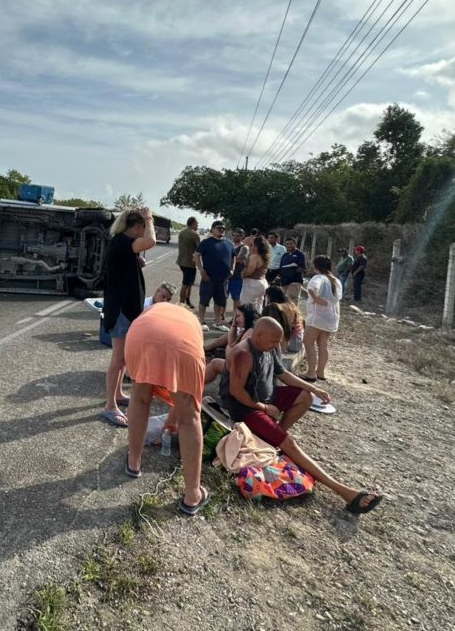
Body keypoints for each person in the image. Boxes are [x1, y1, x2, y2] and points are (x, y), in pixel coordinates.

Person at [221, 317, 384, 515]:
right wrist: (264, 408)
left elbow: (283, 374)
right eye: (273, 341)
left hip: (267, 397)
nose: (276, 345)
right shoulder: (243, 355)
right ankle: (346, 493)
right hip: (246, 407)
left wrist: (313, 388)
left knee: (304, 397)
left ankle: (273, 437)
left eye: (277, 342)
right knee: (290, 444)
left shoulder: (269, 348)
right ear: (259, 335)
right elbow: (236, 392)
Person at [124, 302, 208, 515]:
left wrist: (171, 418)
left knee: (140, 399)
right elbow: (183, 396)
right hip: (183, 346)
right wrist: (178, 417)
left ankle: (133, 462)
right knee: (190, 419)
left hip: (140, 335)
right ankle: (192, 495)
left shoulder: (158, 308)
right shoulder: (192, 323)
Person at [101, 207, 156, 428]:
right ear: (137, 227)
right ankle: (109, 406)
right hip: (122, 309)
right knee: (117, 360)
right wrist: (149, 218)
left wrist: (136, 262)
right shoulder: (123, 242)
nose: (145, 232)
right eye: (143, 227)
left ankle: (119, 394)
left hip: (127, 308)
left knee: (123, 358)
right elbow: (151, 241)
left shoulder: (123, 244)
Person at [303, 255, 343, 382]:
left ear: (316, 266)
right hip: (331, 317)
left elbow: (311, 288)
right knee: (323, 344)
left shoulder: (318, 277)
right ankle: (320, 372)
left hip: (318, 316)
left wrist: (316, 299)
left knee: (308, 343)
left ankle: (310, 373)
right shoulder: (336, 280)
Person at [193, 220, 233, 332]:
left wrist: (232, 269)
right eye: (218, 228)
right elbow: (196, 256)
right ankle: (201, 321)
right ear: (212, 229)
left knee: (220, 302)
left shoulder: (229, 244)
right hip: (208, 278)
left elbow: (233, 256)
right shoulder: (206, 242)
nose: (221, 230)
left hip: (223, 279)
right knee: (204, 301)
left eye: (223, 228)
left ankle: (217, 322)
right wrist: (201, 270)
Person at [239, 233, 270, 312]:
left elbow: (249, 271)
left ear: (257, 246)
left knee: (247, 307)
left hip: (252, 284)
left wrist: (242, 274)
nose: (251, 246)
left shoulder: (255, 257)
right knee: (259, 307)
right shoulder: (266, 256)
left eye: (252, 244)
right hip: (263, 283)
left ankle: (249, 324)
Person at [176, 217, 201, 308]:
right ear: (193, 223)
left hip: (181, 261)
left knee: (189, 283)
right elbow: (199, 248)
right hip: (189, 263)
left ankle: (187, 301)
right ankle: (182, 304)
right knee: (186, 284)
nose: (197, 225)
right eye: (196, 224)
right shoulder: (194, 234)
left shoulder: (182, 232)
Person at [278, 237, 307, 303]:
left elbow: (303, 268)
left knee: (291, 301)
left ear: (295, 244)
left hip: (294, 282)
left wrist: (293, 270)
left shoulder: (300, 254)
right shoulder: (285, 255)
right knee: (283, 302)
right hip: (284, 282)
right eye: (287, 244)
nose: (289, 245)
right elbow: (281, 268)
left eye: (291, 244)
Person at [228, 228, 248, 313]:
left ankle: (235, 316)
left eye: (238, 235)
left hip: (237, 276)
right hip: (226, 275)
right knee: (222, 296)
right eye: (234, 235)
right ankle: (221, 315)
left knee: (236, 298)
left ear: (242, 236)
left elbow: (239, 259)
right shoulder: (228, 245)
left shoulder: (244, 247)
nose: (235, 237)